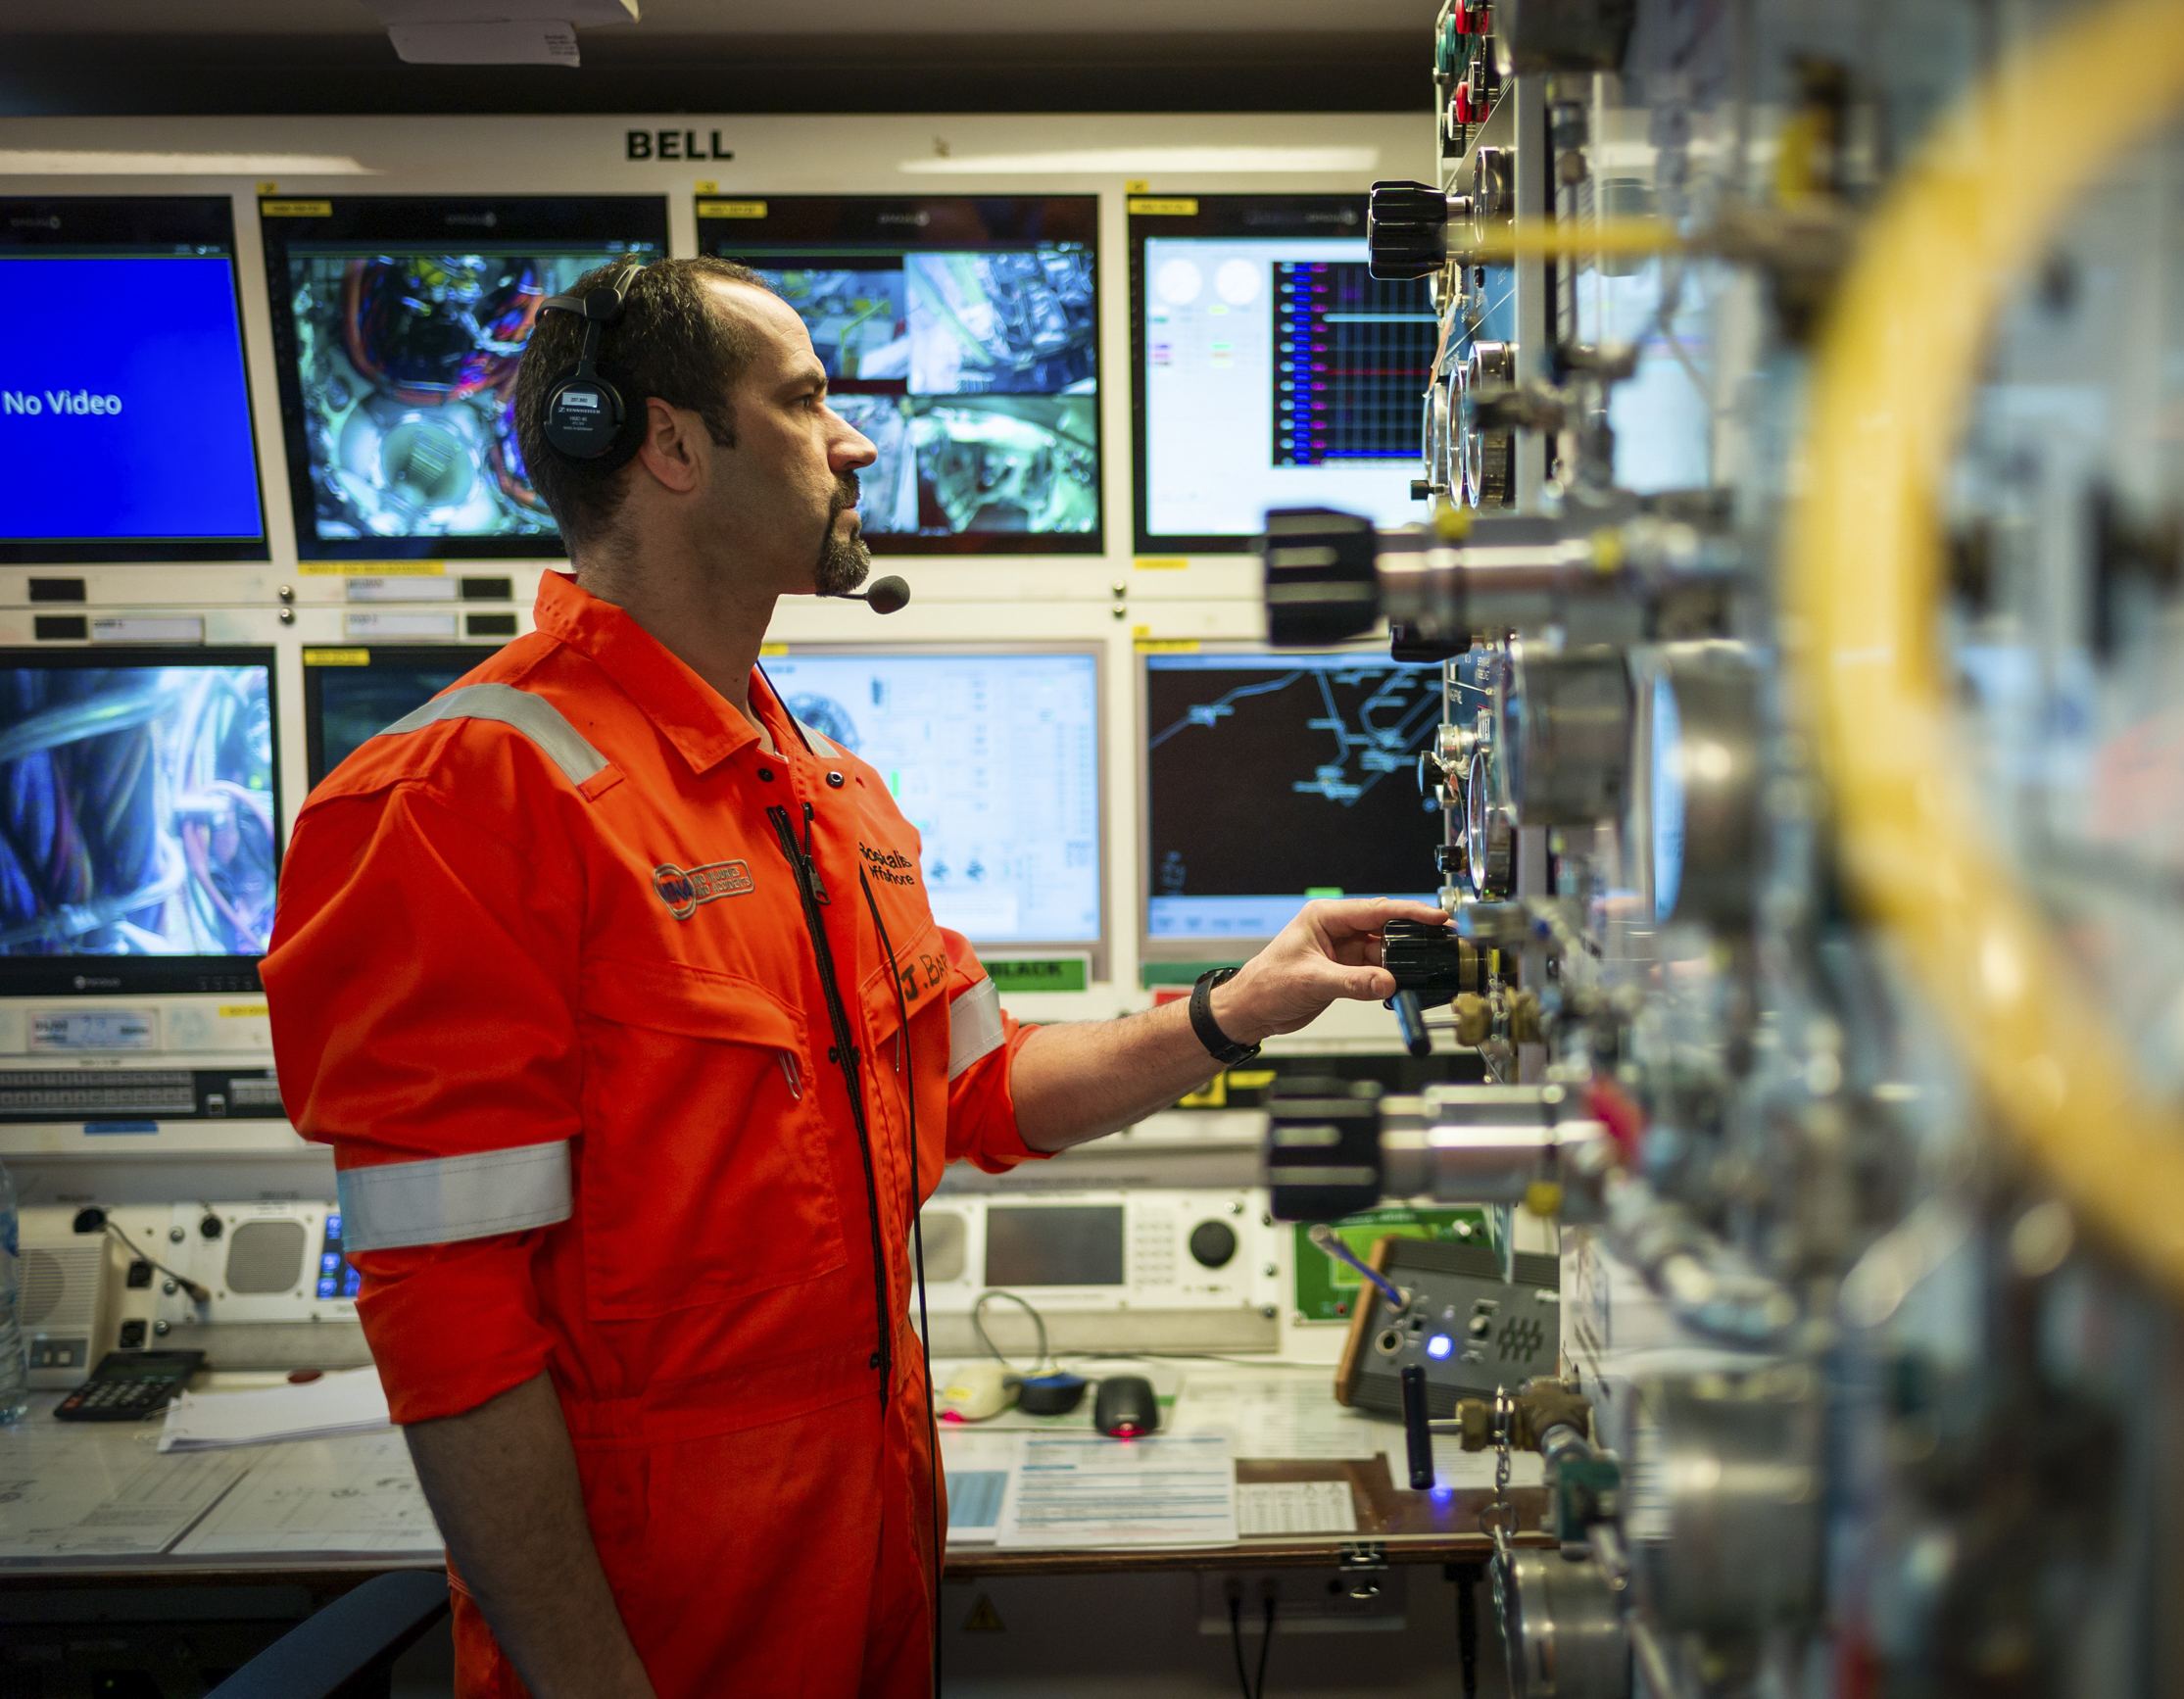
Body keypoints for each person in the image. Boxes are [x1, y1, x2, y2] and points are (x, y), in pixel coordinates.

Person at [262, 254, 1439, 1699]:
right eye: (810, 399)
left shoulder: (826, 797)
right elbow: (449, 1326)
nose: (859, 438)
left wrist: (1231, 1008)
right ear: (674, 444)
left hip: (869, 1562)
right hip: (658, 1623)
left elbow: (987, 1097)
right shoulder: (463, 796)